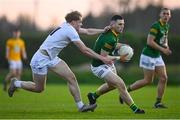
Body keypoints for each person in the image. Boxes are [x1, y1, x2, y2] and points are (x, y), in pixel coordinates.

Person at [8, 11, 113, 112]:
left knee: (71, 77)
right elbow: (84, 50)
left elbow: (87, 31)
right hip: (40, 59)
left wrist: (102, 31)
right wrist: (102, 58)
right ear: (73, 22)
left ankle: (81, 106)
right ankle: (16, 83)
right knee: (39, 88)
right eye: (79, 22)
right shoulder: (70, 30)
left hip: (52, 58)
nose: (81, 24)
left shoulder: (67, 26)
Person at [87, 15, 145, 114]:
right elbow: (104, 57)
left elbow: (113, 45)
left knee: (112, 85)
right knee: (120, 84)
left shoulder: (113, 33)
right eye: (119, 24)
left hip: (107, 63)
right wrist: (119, 58)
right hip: (99, 66)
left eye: (123, 24)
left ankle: (93, 96)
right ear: (112, 24)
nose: (122, 26)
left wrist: (124, 46)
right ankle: (135, 109)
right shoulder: (110, 37)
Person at [119, 8, 172, 108]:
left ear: (170, 16)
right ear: (160, 15)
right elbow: (150, 42)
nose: (165, 15)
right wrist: (163, 49)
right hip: (148, 55)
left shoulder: (166, 26)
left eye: (167, 14)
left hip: (157, 55)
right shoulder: (155, 26)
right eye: (164, 13)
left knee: (164, 78)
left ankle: (158, 103)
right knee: (148, 81)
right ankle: (124, 92)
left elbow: (164, 38)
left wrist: (166, 47)